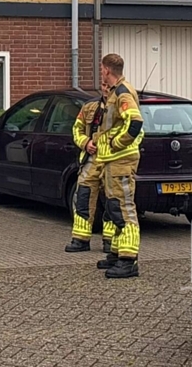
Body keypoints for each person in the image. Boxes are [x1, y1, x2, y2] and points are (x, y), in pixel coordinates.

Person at [97, 53, 145, 279]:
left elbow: (135, 122)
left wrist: (117, 143)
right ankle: (117, 254)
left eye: (101, 69)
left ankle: (129, 260)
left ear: (107, 70)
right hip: (112, 161)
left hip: (121, 160)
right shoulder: (117, 92)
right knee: (114, 207)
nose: (101, 73)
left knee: (124, 210)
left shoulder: (123, 93)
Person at [65, 80, 117, 256]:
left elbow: (135, 133)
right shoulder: (89, 107)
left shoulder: (123, 106)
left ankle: (110, 241)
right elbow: (77, 129)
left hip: (112, 160)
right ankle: (81, 239)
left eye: (109, 86)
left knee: (112, 200)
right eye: (104, 86)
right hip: (91, 159)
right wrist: (85, 143)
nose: (106, 89)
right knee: (83, 197)